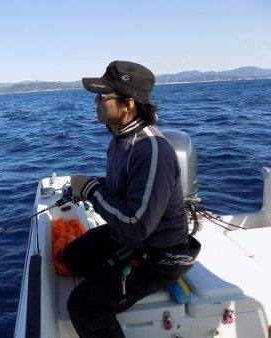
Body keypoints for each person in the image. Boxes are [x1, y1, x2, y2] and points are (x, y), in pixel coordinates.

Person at [63, 61, 201, 338]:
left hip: (159, 255)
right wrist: (91, 188)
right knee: (71, 258)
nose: (96, 101)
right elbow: (121, 193)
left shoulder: (151, 150)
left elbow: (137, 225)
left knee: (83, 305)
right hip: (131, 239)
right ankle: (118, 271)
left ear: (127, 104)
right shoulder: (120, 140)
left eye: (103, 96)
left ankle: (158, 280)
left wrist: (90, 189)